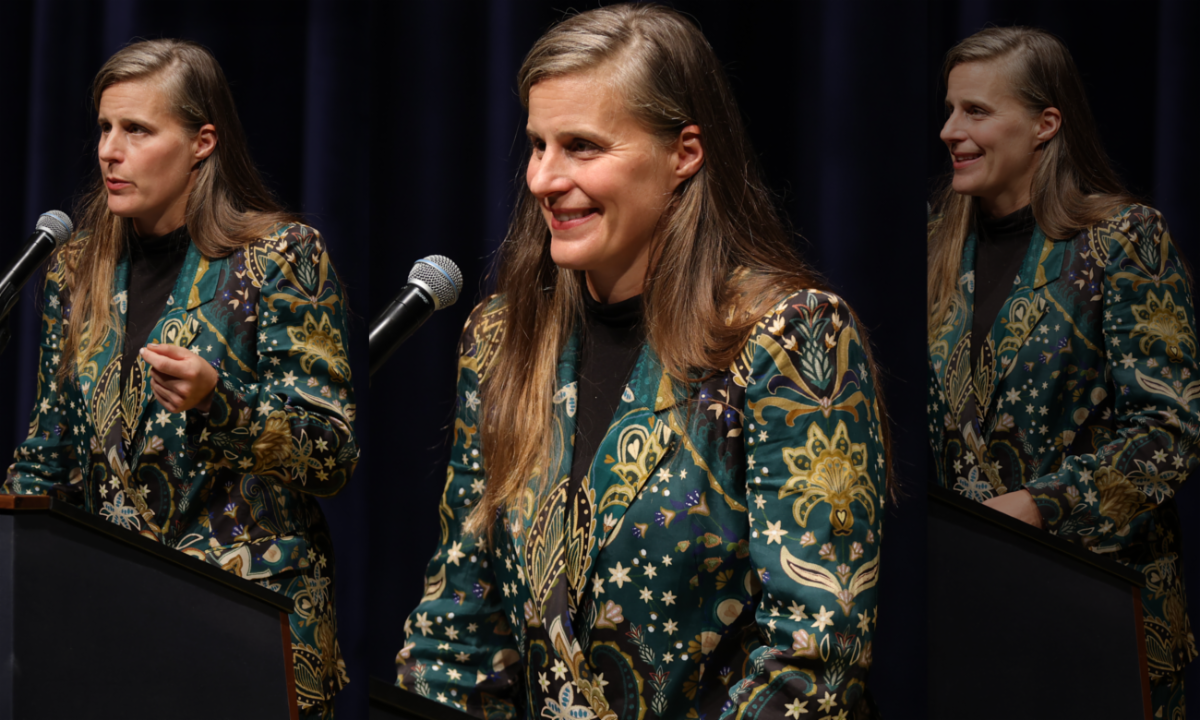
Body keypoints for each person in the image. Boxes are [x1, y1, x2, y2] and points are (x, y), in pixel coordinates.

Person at [394, 5, 889, 718]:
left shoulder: (791, 336)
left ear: (684, 153)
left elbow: (814, 658)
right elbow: (459, 628)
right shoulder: (502, 337)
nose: (543, 178)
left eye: (583, 147)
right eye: (538, 145)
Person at [3, 39, 357, 718]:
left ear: (202, 143)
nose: (110, 149)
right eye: (105, 128)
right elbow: (48, 456)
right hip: (111, 632)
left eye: (137, 129)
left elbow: (331, 454)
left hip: (246, 628)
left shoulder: (278, 258)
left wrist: (221, 406)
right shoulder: (77, 271)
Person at [928, 26, 1199, 714]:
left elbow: (1168, 435)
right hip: (967, 626)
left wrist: (1040, 507)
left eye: (976, 112)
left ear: (1046, 124)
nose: (949, 130)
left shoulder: (1123, 242)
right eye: (951, 108)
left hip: (1098, 610)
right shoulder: (929, 249)